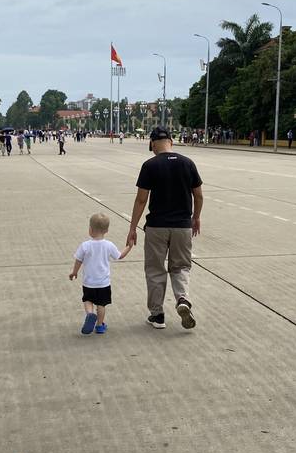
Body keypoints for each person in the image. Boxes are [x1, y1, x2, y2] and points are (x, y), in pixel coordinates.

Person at [126, 126, 203, 330]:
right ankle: (183, 299)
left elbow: (141, 200)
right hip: (182, 227)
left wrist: (132, 228)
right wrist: (196, 217)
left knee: (155, 270)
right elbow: (199, 195)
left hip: (157, 227)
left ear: (152, 143)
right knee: (181, 266)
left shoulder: (150, 165)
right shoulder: (188, 163)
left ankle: (158, 315)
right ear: (171, 140)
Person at [69, 212, 132, 335]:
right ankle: (99, 325)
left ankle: (90, 314)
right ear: (106, 230)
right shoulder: (109, 245)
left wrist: (74, 272)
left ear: (90, 230)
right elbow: (119, 256)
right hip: (103, 283)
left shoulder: (85, 246)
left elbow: (78, 260)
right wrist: (129, 247)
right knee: (101, 305)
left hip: (89, 282)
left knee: (88, 300)